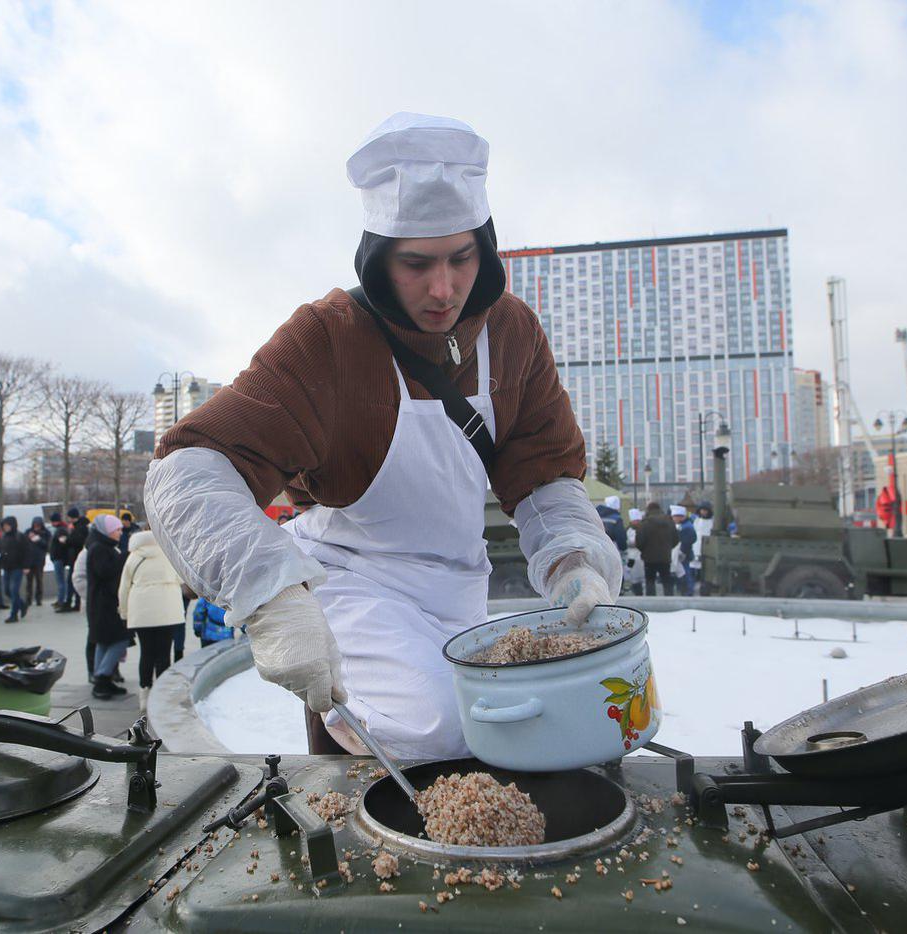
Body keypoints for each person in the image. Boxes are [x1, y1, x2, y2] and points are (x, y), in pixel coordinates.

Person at [144, 113, 621, 759]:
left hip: (458, 585)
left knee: (500, 725)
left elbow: (542, 468)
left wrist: (573, 555)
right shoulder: (328, 336)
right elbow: (189, 467)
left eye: (461, 258)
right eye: (416, 264)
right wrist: (270, 595)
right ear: (377, 259)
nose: (443, 288)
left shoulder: (514, 332)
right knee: (435, 728)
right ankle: (342, 753)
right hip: (353, 576)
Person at [118, 526, 184, 709]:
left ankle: (144, 696)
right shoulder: (169, 553)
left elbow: (123, 589)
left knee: (146, 653)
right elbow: (181, 578)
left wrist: (124, 613)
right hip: (168, 610)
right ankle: (162, 697)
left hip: (142, 612)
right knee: (164, 654)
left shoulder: (134, 556)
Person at [85, 514, 130, 700]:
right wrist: (125, 557)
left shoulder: (104, 547)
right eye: (117, 529)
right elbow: (105, 571)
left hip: (102, 604)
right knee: (121, 640)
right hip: (104, 605)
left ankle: (102, 679)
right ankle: (102, 677)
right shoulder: (99, 549)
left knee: (104, 641)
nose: (120, 533)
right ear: (107, 531)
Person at [636, 502, 679, 596]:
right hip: (665, 557)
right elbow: (676, 539)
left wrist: (644, 550)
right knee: (666, 580)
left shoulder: (645, 523)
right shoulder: (669, 521)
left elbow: (639, 541)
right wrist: (668, 548)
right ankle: (669, 601)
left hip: (649, 558)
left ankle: (651, 603)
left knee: (650, 581)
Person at [0, 516, 29, 622]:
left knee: (14, 590)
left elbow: (26, 552)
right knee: (7, 590)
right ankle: (22, 605)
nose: (5, 528)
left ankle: (14, 614)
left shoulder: (20, 536)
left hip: (17, 567)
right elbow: (1, 549)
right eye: (4, 526)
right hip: (7, 567)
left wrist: (26, 566)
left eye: (7, 526)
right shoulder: (4, 537)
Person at [24, 516, 51, 608]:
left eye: (38, 525)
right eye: (35, 525)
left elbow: (47, 546)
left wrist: (38, 539)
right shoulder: (28, 532)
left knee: (39, 580)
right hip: (29, 560)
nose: (36, 527)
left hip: (39, 560)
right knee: (29, 581)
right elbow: (23, 543)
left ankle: (39, 598)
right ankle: (28, 599)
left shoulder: (46, 533)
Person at [66, 509, 88, 613]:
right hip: (74, 557)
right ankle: (75, 602)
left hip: (76, 558)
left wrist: (67, 540)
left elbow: (77, 541)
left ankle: (76, 602)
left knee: (74, 581)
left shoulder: (80, 528)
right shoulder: (79, 527)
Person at [49, 512, 72, 611]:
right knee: (61, 581)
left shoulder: (60, 530)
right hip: (59, 558)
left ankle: (61, 600)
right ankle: (60, 600)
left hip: (59, 558)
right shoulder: (62, 529)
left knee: (60, 581)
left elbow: (63, 544)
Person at [674, 505, 697, 596]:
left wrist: (682, 552)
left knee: (685, 573)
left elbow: (688, 541)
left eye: (675, 516)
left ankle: (688, 590)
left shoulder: (686, 527)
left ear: (680, 517)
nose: (673, 518)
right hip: (683, 553)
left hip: (684, 553)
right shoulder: (685, 525)